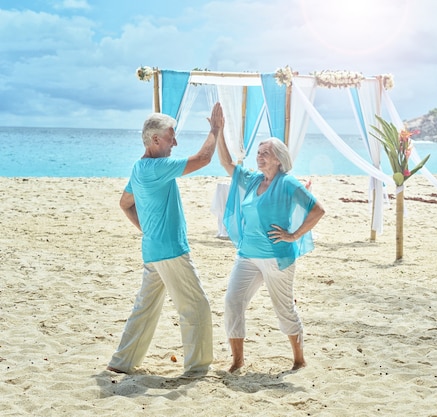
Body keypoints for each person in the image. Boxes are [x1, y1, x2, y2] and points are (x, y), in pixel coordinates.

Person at [106, 103, 224, 376]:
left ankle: (121, 362)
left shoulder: (139, 168)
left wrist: (148, 229)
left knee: (145, 309)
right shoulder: (156, 168)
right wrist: (215, 130)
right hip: (170, 251)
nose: (175, 142)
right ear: (156, 139)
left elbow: (125, 203)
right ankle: (197, 368)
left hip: (152, 249)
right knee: (196, 307)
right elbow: (203, 159)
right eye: (172, 137)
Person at [217, 134, 325, 373]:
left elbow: (317, 210)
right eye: (258, 152)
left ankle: (299, 359)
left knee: (284, 309)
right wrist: (219, 132)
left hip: (277, 257)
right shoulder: (254, 180)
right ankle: (237, 361)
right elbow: (227, 164)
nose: (259, 156)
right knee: (233, 302)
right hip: (247, 255)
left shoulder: (287, 183)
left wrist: (294, 235)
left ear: (279, 159)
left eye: (265, 153)